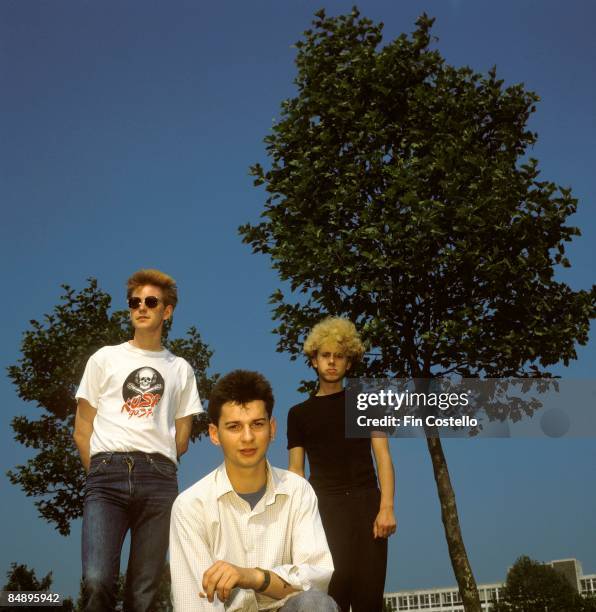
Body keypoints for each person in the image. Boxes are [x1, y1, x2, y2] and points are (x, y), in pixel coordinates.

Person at [73, 269, 203, 611]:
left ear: (167, 311)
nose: (141, 308)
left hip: (159, 481)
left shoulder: (181, 370)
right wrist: (100, 470)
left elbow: (183, 436)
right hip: (106, 477)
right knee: (98, 580)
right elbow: (82, 427)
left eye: (150, 302)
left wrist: (155, 462)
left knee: (143, 593)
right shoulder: (104, 358)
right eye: (134, 302)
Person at [169, 369, 339, 612]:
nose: (248, 437)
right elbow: (194, 605)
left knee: (315, 604)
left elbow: (316, 581)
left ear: (272, 429)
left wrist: (254, 577)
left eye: (257, 424)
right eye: (234, 427)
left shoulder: (297, 490)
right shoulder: (190, 506)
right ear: (215, 434)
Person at [287, 317, 397, 612]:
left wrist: (386, 507)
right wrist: (294, 525)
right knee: (329, 598)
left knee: (368, 599)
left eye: (339, 356)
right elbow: (296, 472)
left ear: (349, 363)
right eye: (325, 355)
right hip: (322, 512)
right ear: (314, 360)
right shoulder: (298, 414)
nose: (332, 362)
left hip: (367, 507)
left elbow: (382, 455)